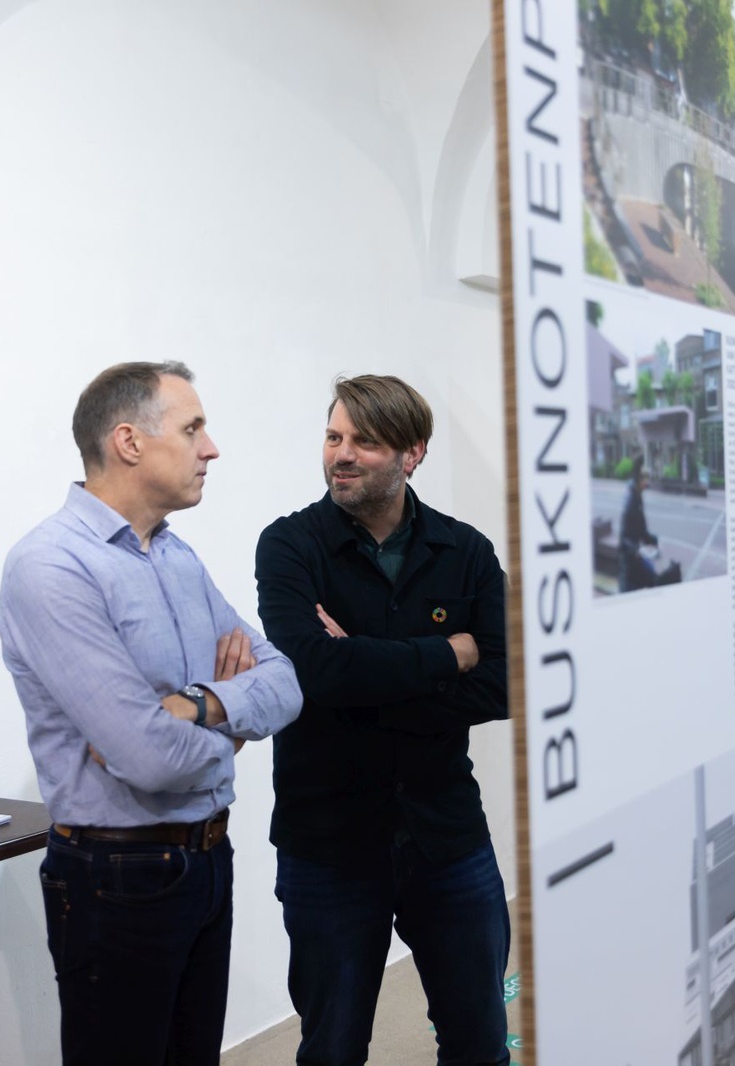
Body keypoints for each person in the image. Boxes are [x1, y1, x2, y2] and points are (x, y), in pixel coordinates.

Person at [0, 361, 301, 1066]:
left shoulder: (176, 556)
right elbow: (149, 757)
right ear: (129, 442)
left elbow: (285, 682)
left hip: (207, 858)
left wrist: (200, 704)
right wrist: (233, 735)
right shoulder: (51, 566)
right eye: (193, 429)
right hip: (116, 877)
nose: (211, 449)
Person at [254, 375, 510, 1066]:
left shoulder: (466, 552)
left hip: (446, 834)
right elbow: (316, 673)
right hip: (328, 843)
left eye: (364, 441)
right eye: (333, 437)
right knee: (333, 1049)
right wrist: (448, 653)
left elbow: (505, 683)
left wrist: (360, 670)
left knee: (480, 1044)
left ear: (412, 453)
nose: (341, 454)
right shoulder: (289, 546)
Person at [618, 454, 658, 592]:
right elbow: (624, 537)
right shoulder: (631, 502)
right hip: (629, 564)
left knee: (653, 576)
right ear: (638, 479)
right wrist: (635, 550)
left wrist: (652, 540)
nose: (647, 483)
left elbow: (641, 530)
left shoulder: (638, 498)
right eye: (645, 479)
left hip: (636, 557)